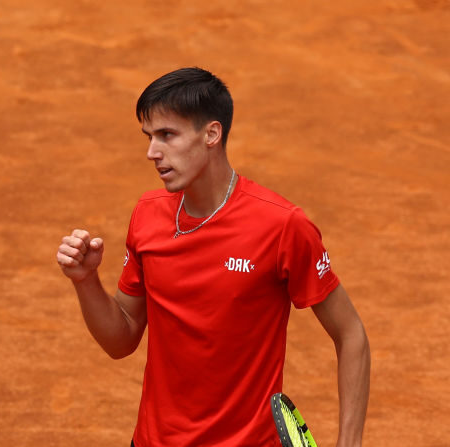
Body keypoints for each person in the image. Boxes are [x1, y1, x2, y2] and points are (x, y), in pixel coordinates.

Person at [56, 67, 370, 447]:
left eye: (167, 135)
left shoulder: (282, 226)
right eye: (149, 137)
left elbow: (350, 334)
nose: (152, 152)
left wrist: (349, 442)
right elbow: (120, 340)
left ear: (211, 134)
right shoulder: (147, 215)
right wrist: (85, 281)